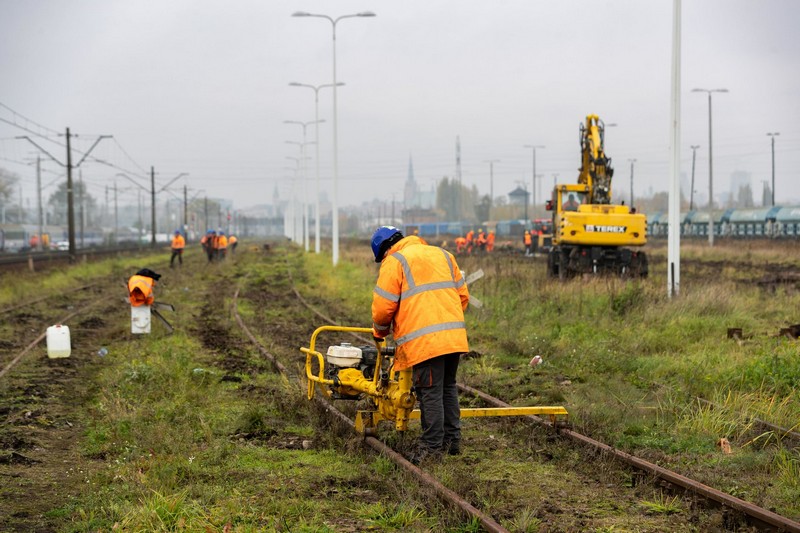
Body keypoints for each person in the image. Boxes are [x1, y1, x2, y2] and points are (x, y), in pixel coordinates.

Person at [370, 226, 470, 464]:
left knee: (430, 393)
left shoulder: (395, 261)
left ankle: (432, 448)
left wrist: (380, 332)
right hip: (453, 336)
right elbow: (462, 297)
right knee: (447, 387)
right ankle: (452, 443)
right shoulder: (443, 255)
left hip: (425, 341)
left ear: (384, 250)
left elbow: (383, 308)